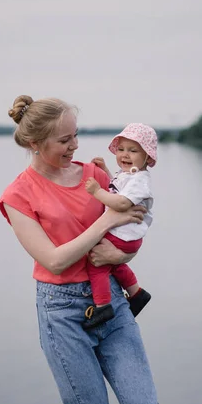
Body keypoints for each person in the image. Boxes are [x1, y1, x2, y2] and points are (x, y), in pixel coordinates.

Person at [0, 94, 202, 404]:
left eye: (76, 134)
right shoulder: (18, 195)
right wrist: (103, 227)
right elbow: (54, 259)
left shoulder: (96, 175)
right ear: (35, 143)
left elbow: (134, 221)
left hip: (110, 305)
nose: (75, 144)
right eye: (64, 139)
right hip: (61, 311)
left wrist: (124, 254)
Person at [82, 122, 155, 330]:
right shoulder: (131, 175)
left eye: (133, 151)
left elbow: (122, 202)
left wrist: (96, 191)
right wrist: (105, 170)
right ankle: (137, 293)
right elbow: (117, 188)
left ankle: (103, 305)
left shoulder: (140, 181)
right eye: (121, 149)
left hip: (123, 235)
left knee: (96, 262)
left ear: (147, 158)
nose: (125, 154)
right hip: (128, 236)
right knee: (115, 265)